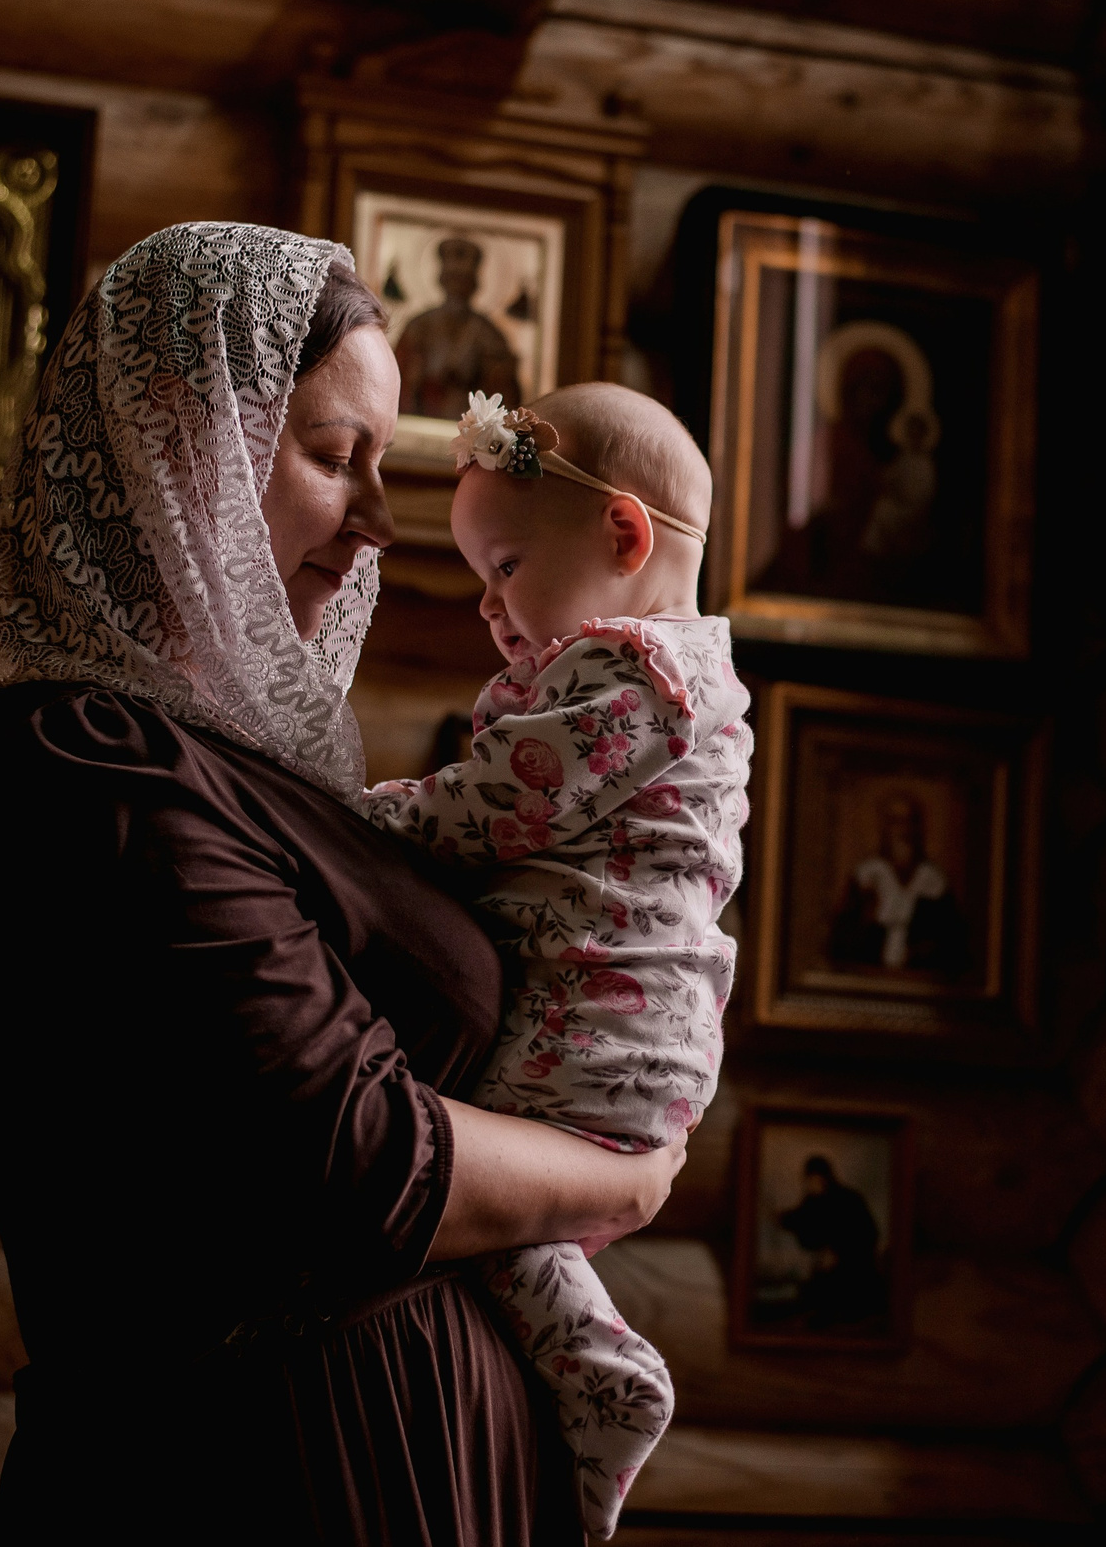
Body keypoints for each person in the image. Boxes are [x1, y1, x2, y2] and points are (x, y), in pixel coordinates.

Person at [0, 223, 680, 1545]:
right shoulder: (88, 765)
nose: (381, 523)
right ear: (183, 452)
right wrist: (624, 1176)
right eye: (337, 459)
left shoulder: (227, 763)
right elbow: (359, 1162)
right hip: (250, 1484)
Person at [365, 383, 750, 1538]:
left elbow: (497, 808)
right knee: (509, 1226)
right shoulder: (666, 676)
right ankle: (596, 1361)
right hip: (628, 1024)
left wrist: (358, 814)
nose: (488, 605)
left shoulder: (634, 672)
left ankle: (603, 1369)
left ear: (625, 536)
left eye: (506, 565)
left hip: (604, 1017)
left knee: (468, 1179)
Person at [829, 792, 965, 975]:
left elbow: (952, 946)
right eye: (895, 822)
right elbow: (841, 942)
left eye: (910, 822)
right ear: (884, 828)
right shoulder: (865, 877)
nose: (903, 830)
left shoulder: (935, 881)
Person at [395, 237, 524, 419]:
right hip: (424, 412)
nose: (458, 286)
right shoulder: (419, 325)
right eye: (453, 279)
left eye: (464, 280)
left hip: (470, 420)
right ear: (442, 280)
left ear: (474, 284)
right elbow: (400, 377)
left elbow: (504, 390)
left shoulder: (488, 333)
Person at [776, 1155, 883, 1330]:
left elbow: (867, 1235)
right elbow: (802, 1219)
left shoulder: (850, 1200)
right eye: (807, 1180)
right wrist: (783, 1218)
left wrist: (839, 1253)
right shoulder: (813, 1201)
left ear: (824, 1178)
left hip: (856, 1271)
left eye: (813, 1179)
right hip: (829, 1272)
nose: (809, 1184)